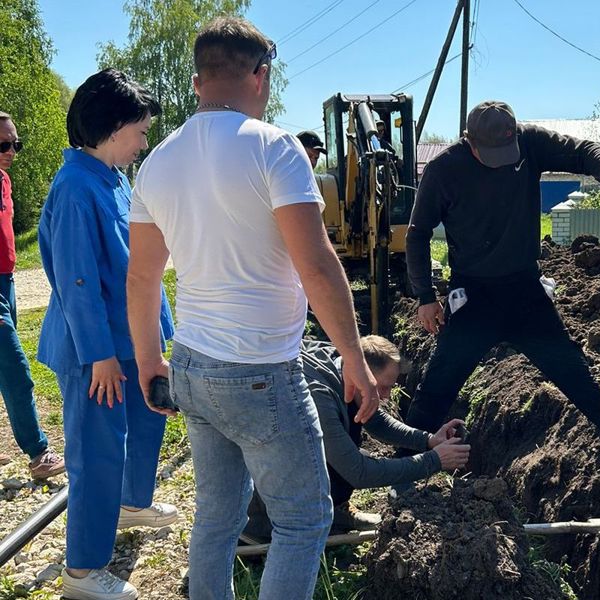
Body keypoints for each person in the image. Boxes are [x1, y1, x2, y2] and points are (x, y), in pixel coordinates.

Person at [126, 17, 379, 600]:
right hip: (261, 371)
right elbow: (316, 265)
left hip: (191, 363)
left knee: (216, 519)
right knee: (304, 519)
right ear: (260, 75)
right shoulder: (275, 148)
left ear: (197, 82)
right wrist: (353, 358)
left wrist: (148, 359)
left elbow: (141, 276)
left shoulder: (157, 161)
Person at [403, 100, 600, 464]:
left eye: (507, 151)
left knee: (570, 367)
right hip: (474, 295)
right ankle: (404, 462)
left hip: (524, 290)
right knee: (439, 383)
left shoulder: (530, 143)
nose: (502, 161)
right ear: (469, 141)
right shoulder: (444, 169)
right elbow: (417, 232)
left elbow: (585, 150)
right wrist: (425, 295)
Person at [37, 69, 177, 600]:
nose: (143, 142)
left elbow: (137, 263)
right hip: (93, 348)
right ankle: (82, 572)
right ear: (112, 126)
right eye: (139, 131)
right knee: (96, 455)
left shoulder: (112, 176)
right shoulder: (75, 186)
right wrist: (99, 356)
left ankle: (131, 504)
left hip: (131, 340)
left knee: (147, 422)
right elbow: (76, 281)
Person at [243, 335, 470, 542]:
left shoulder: (345, 363)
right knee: (351, 460)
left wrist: (428, 440)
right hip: (266, 500)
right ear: (364, 374)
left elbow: (376, 421)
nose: (386, 396)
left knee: (349, 452)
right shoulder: (317, 396)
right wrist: (434, 460)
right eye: (383, 387)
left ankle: (333, 509)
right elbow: (358, 472)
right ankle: (266, 525)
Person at [0, 112, 65, 478]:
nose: (11, 151)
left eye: (15, 144)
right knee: (16, 370)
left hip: (6, 281)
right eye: (3, 145)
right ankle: (39, 453)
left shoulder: (4, 181)